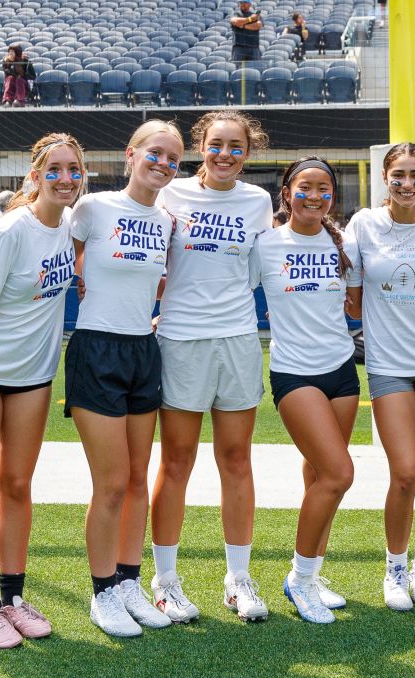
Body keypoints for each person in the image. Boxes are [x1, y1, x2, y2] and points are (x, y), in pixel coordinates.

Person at [0, 132, 84, 648]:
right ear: (35, 175)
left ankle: (15, 599)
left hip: (33, 378)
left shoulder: (73, 225)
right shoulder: (9, 230)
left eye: (74, 169)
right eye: (54, 169)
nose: (65, 178)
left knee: (19, 487)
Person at [149, 111, 273, 624]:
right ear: (201, 145)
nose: (225, 154)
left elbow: (253, 273)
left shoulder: (259, 201)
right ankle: (165, 581)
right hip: (180, 340)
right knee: (176, 463)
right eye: (216, 144)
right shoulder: (169, 195)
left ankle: (238, 579)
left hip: (239, 340)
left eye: (236, 146)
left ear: (249, 151)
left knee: (237, 461)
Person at [65, 120, 182, 637]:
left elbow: (160, 284)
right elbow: (51, 252)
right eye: (155, 153)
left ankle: (130, 582)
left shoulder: (166, 221)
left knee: (138, 479)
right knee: (111, 482)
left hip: (142, 350)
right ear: (131, 154)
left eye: (173, 159)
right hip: (96, 350)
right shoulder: (93, 208)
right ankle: (102, 591)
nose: (163, 164)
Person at [344, 144, 415, 612]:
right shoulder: (363, 225)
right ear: (383, 178)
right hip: (387, 364)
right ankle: (394, 566)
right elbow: (351, 297)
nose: (407, 184)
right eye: (398, 176)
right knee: (405, 471)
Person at [248, 156, 358, 624]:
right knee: (339, 474)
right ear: (287, 192)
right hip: (295, 374)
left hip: (343, 373)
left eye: (324, 188)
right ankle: (299, 578)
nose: (315, 195)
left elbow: (356, 304)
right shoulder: (266, 246)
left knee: (319, 478)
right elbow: (228, 292)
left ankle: (314, 574)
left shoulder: (343, 245)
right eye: (305, 187)